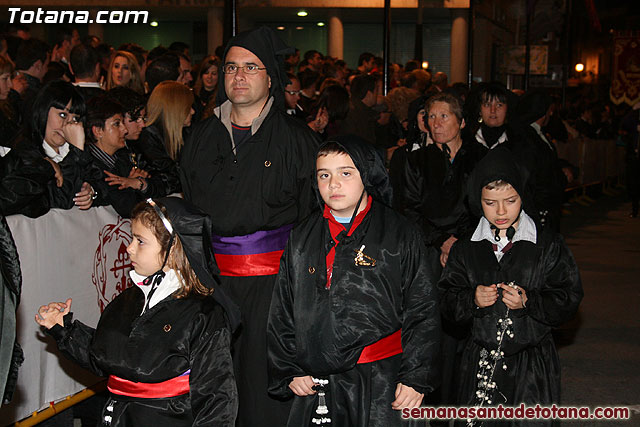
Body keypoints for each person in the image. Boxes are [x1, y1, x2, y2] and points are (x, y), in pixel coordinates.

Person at [180, 26, 319, 427]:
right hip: (211, 287)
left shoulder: (297, 141)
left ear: (270, 77)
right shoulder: (200, 137)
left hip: (274, 289)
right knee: (212, 389)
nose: (238, 76)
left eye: (250, 68)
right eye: (230, 68)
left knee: (264, 394)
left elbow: (313, 218)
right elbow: (188, 210)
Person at [267, 136, 440, 426]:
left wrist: (415, 377)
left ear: (367, 174)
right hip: (317, 381)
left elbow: (422, 308)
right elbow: (282, 309)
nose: (333, 184)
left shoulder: (399, 234)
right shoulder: (301, 238)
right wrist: (289, 367)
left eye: (346, 173)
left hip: (382, 379)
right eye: (324, 175)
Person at [35, 197, 240, 426]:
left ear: (173, 248)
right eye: (132, 238)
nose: (129, 248)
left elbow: (217, 400)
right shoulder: (127, 300)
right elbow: (106, 358)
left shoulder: (204, 315)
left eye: (140, 241)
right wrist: (64, 330)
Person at [438, 148, 583, 425]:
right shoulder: (467, 247)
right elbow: (445, 298)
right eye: (491, 203)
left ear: (523, 197)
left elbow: (568, 296)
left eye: (510, 201)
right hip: (479, 360)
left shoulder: (546, 244)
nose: (501, 211)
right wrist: (472, 299)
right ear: (478, 201)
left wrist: (531, 301)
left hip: (532, 365)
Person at [1, 80, 94, 217]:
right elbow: (60, 199)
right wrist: (76, 152)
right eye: (62, 115)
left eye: (75, 119)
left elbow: (103, 182)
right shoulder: (24, 152)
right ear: (44, 111)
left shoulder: (78, 150)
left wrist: (91, 191)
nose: (68, 124)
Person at [193, 55, 220, 121]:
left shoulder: (221, 98)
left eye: (213, 74)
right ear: (201, 75)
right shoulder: (192, 95)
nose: (209, 77)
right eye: (206, 73)